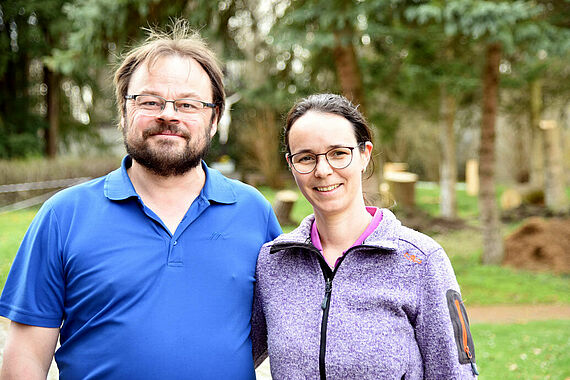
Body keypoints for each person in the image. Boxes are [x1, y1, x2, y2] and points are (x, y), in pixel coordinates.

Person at [0, 20, 281, 379]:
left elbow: (274, 335)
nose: (168, 114)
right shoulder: (62, 216)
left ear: (214, 119)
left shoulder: (253, 212)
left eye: (188, 104)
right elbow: (24, 357)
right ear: (123, 111)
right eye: (149, 101)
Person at [252, 93, 478, 379]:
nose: (323, 171)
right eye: (306, 158)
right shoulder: (273, 263)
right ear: (291, 164)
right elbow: (230, 354)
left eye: (338, 153)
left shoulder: (422, 261)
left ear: (364, 154)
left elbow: (454, 373)